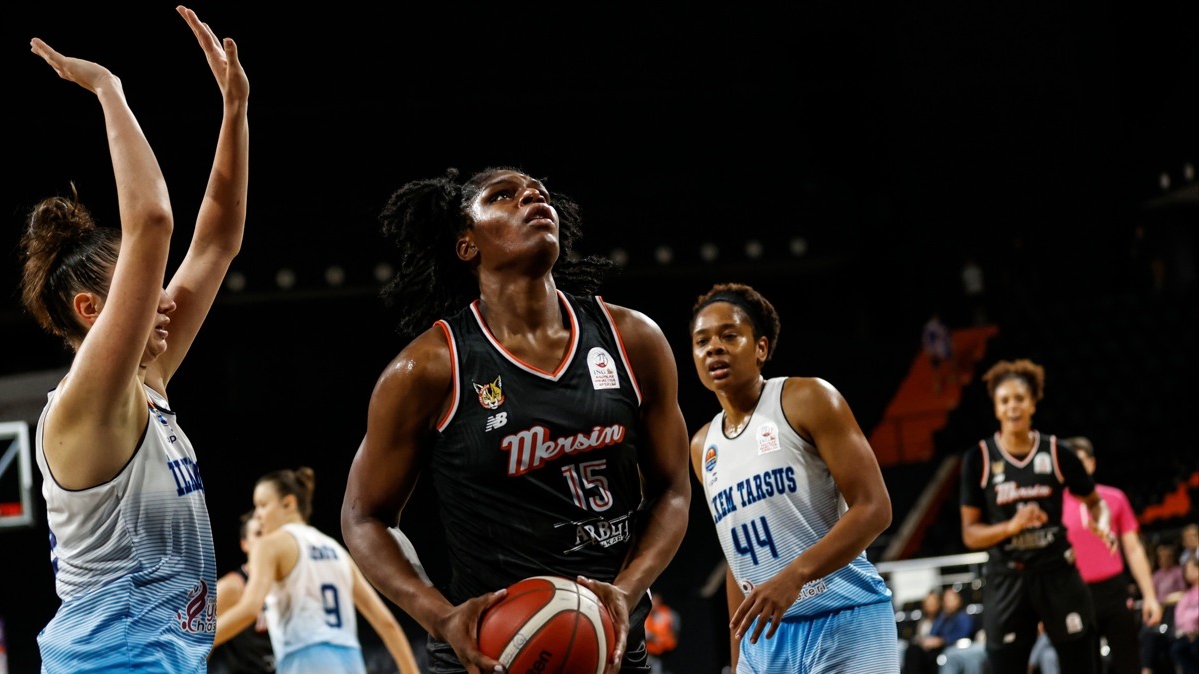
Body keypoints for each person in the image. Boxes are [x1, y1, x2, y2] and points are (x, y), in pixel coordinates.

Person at [341, 168, 692, 674]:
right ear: (467, 244)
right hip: (488, 651)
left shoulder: (633, 339)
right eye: (503, 196)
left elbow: (673, 489)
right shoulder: (430, 367)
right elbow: (364, 517)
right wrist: (439, 616)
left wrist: (627, 589)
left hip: (611, 646)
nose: (531, 195)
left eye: (538, 192)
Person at [21, 7, 248, 671]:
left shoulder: (146, 386)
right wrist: (107, 87)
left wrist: (235, 110)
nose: (166, 298)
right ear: (93, 309)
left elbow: (217, 241)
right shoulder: (85, 403)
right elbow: (152, 219)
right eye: (143, 286)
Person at [687, 283, 897, 673]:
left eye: (729, 336)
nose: (713, 348)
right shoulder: (702, 446)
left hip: (846, 618)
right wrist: (738, 659)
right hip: (766, 640)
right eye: (702, 341)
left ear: (761, 347)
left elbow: (875, 508)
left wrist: (794, 576)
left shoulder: (808, 398)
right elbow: (736, 561)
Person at [960, 359, 1116, 674]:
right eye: (1005, 400)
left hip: (1056, 572)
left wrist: (1101, 523)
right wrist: (1012, 525)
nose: (1012, 406)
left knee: (1084, 664)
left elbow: (1095, 502)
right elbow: (971, 534)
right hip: (1007, 578)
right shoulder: (979, 458)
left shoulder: (1058, 452)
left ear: (1032, 403)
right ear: (996, 409)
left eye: (1019, 398)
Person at [214, 468, 419, 674]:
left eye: (262, 505)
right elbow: (387, 623)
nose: (257, 515)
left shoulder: (270, 544)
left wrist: (198, 641)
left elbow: (250, 609)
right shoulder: (338, 551)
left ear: (288, 504)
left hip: (304, 661)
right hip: (352, 662)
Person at [1060, 436, 1162, 674]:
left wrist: (1150, 596)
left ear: (1092, 464)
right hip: (1074, 595)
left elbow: (1134, 549)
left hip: (1114, 592)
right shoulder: (1054, 507)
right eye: (1069, 463)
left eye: (1080, 461)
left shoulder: (1115, 498)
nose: (1075, 467)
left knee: (1129, 664)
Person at [210, 512, 276, 674]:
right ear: (244, 544)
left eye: (270, 533)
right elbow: (196, 646)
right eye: (258, 534)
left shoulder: (286, 582)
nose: (265, 540)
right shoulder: (232, 586)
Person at [1170, 557, 1199, 674]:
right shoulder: (1188, 593)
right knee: (1176, 650)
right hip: (1188, 633)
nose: (1188, 573)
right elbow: (1179, 614)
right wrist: (1189, 630)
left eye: (1191, 569)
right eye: (1186, 570)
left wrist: (1194, 627)